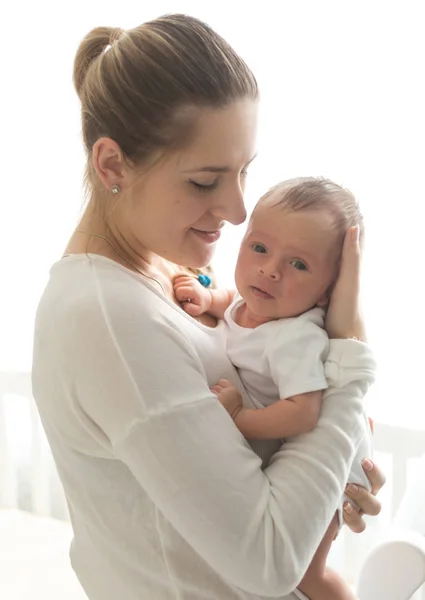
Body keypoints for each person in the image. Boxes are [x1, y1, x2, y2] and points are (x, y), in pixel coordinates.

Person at [31, 14, 385, 600]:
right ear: (113, 164)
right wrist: (348, 365)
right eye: (205, 181)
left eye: (244, 170)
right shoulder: (106, 318)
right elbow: (268, 563)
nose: (240, 209)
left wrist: (334, 473)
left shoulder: (170, 269)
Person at [174, 176, 373, 600]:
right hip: (313, 451)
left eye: (299, 264)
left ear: (328, 292)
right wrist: (209, 300)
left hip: (336, 466)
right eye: (259, 248)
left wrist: (241, 418)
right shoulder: (255, 305)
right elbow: (233, 301)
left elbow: (304, 411)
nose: (270, 270)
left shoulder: (293, 337)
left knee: (309, 574)